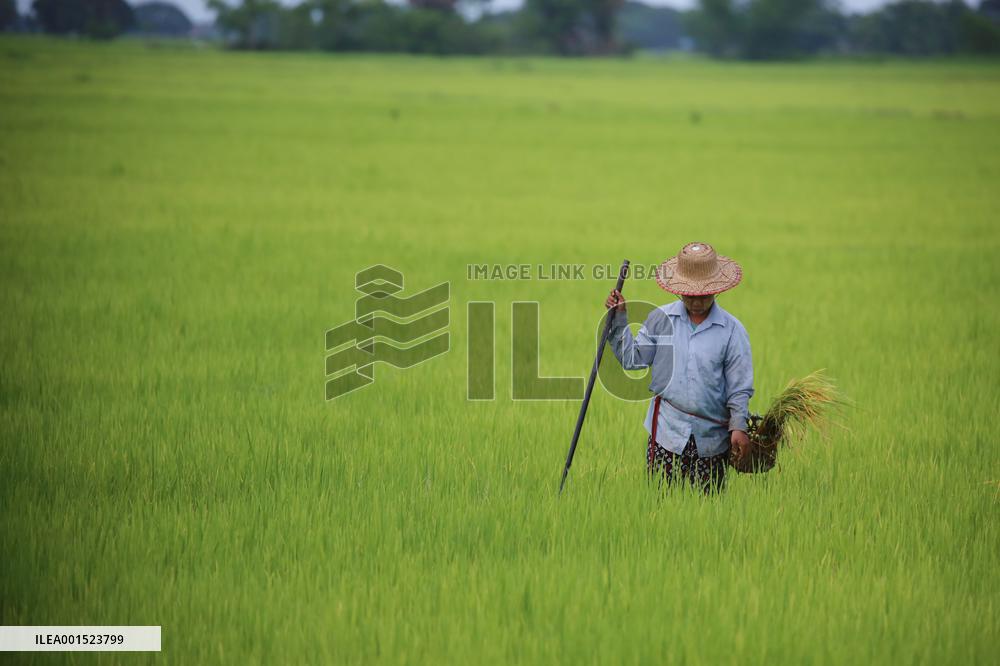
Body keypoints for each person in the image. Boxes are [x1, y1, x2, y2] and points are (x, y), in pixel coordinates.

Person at [604, 242, 753, 494]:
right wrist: (619, 318)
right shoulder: (660, 320)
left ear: (716, 291)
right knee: (660, 509)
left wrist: (739, 426)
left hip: (712, 441)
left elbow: (739, 388)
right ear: (679, 290)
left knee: (707, 514)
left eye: (703, 295)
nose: (696, 302)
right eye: (689, 295)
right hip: (666, 434)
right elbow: (633, 358)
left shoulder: (732, 331)